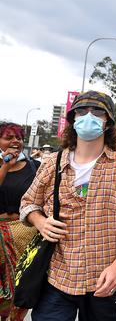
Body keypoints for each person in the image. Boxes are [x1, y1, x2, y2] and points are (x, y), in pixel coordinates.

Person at [20, 90, 116, 321]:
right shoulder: (52, 164)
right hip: (57, 277)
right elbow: (28, 203)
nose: (89, 116)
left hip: (104, 279)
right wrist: (40, 221)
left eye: (97, 111)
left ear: (108, 122)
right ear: (72, 119)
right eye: (81, 111)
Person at [0, 122, 40, 321]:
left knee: (21, 286)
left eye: (19, 138)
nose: (15, 142)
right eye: (9, 137)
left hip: (25, 236)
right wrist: (6, 165)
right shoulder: (3, 164)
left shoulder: (35, 167)